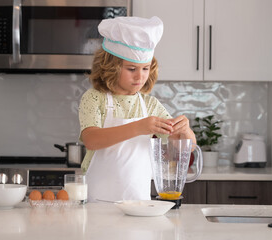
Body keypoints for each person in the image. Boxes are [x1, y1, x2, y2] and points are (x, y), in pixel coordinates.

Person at [78, 16, 196, 202]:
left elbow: (177, 147)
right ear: (111, 67)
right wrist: (139, 127)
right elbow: (91, 140)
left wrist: (186, 132)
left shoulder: (150, 105)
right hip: (97, 204)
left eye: (145, 69)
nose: (139, 77)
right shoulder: (94, 98)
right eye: (131, 69)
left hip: (139, 204)